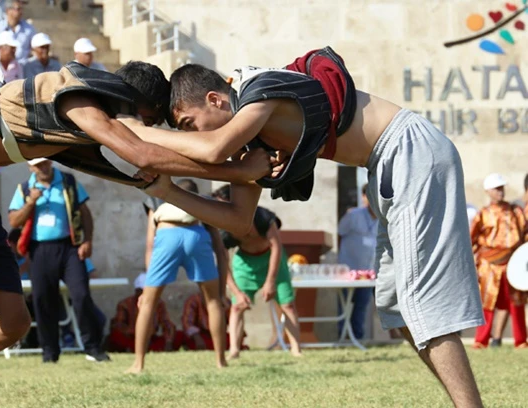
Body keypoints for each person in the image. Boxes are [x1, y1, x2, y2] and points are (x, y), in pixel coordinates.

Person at [0, 59, 273, 407]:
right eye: (148, 118)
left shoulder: (91, 132)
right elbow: (143, 150)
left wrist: (242, 176)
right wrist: (239, 167)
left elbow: (154, 164)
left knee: (11, 322)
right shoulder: (79, 100)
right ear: (130, 101)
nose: (146, 127)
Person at [129, 48, 485, 407]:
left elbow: (212, 150)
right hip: (387, 164)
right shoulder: (251, 141)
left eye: (190, 124)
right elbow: (237, 220)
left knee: (420, 303)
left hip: (407, 149)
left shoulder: (257, 91)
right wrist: (168, 191)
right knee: (397, 307)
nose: (194, 137)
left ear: (214, 99)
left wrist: (132, 134)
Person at [8, 157, 109, 363]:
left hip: (69, 247)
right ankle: (50, 352)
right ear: (30, 167)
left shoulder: (68, 181)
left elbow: (86, 214)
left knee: (81, 294)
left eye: (45, 163)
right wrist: (31, 202)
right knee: (43, 300)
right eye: (38, 165)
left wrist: (87, 241)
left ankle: (93, 348)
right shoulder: (25, 188)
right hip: (40, 250)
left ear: (50, 163)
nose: (43, 168)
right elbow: (14, 220)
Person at [127, 179, 229, 374]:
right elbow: (220, 250)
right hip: (197, 237)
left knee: (148, 303)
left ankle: (138, 364)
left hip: (167, 236)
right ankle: (220, 361)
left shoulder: (156, 200)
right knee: (213, 302)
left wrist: (148, 286)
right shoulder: (203, 204)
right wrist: (221, 292)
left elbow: (150, 245)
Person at [210, 185, 301, 358]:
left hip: (272, 259)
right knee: (237, 306)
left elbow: (276, 247)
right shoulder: (224, 231)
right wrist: (236, 291)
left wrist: (270, 281)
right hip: (245, 263)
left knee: (287, 304)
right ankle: (235, 349)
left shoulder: (262, 216)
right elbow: (222, 261)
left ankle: (296, 348)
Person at [470, 173, 528, 349]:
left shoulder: (515, 211)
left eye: (502, 188)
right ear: (488, 191)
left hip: (512, 262)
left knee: (515, 302)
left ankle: (521, 340)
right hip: (489, 265)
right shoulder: (483, 214)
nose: (500, 192)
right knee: (488, 302)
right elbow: (471, 238)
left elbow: (524, 233)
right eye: (496, 188)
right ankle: (481, 340)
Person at [336, 184, 378, 340]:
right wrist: (340, 261)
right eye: (368, 195)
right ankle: (343, 337)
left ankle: (358, 338)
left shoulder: (383, 219)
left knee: (361, 306)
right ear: (364, 197)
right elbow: (340, 234)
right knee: (344, 304)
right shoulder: (353, 215)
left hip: (368, 272)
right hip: (348, 269)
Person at [107, 273, 182, 353]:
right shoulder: (125, 304)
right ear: (136, 291)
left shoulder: (158, 303)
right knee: (115, 336)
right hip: (131, 338)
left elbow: (166, 323)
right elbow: (118, 324)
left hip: (151, 340)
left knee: (179, 335)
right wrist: (136, 332)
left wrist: (168, 341)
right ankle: (132, 348)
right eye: (142, 291)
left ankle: (150, 348)